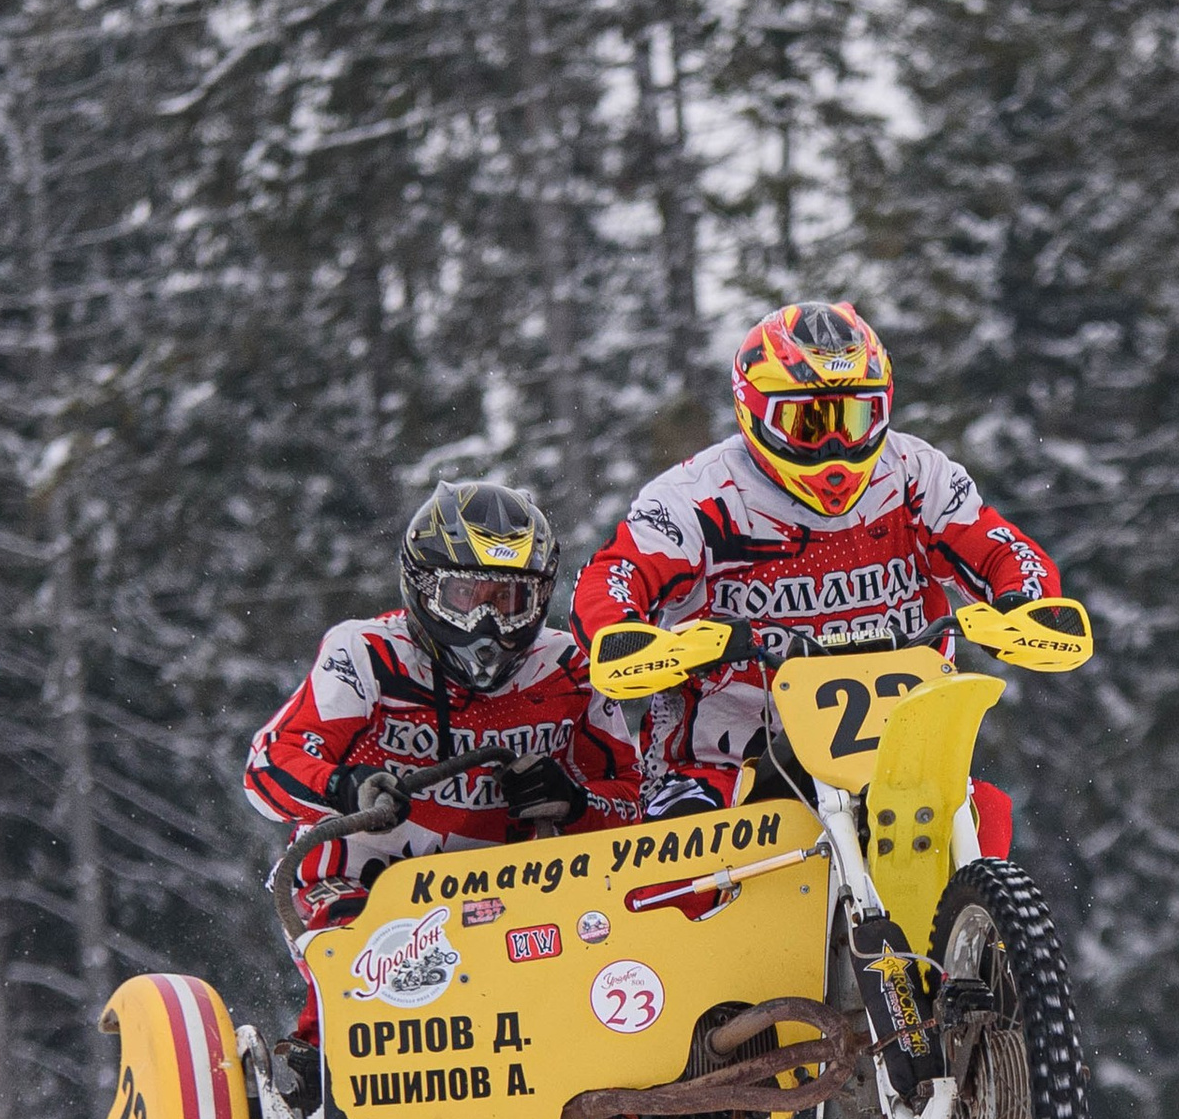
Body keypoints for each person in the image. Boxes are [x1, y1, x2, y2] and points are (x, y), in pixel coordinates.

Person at [571, 301, 1061, 827]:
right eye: (807, 421)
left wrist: (1024, 599)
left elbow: (995, 545)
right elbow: (617, 572)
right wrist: (621, 629)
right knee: (687, 868)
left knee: (983, 816)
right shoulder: (699, 496)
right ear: (754, 411)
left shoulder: (916, 474)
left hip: (899, 754)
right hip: (729, 761)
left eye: (854, 418)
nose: (835, 446)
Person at [246, 482, 639, 1042]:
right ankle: (318, 1068)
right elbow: (268, 764)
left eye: (508, 601)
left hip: (517, 896)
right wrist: (345, 786)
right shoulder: (366, 654)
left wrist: (577, 801)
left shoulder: (570, 667)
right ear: (424, 588)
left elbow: (639, 801)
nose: (488, 624)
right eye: (467, 596)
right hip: (361, 883)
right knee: (387, 982)